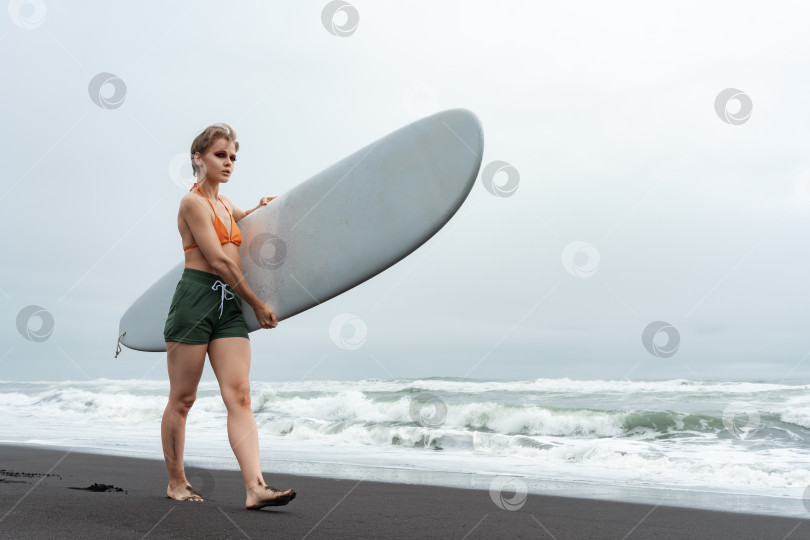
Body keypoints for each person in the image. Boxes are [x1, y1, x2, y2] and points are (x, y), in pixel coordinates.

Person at [161, 122, 296, 510]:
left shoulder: (225, 204)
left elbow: (246, 220)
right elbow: (220, 261)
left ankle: (255, 487)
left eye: (233, 157)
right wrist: (256, 302)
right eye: (220, 155)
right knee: (183, 399)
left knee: (240, 395)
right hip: (196, 300)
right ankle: (176, 482)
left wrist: (263, 209)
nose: (228, 162)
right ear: (198, 159)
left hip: (228, 306)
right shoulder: (193, 203)